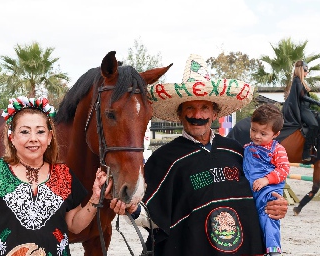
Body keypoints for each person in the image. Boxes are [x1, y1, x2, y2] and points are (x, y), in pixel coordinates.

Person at [111, 54, 289, 255]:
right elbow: (153, 219)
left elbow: (262, 194)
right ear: (179, 114)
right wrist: (132, 210)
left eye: (204, 107)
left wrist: (277, 205)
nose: (198, 115)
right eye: (190, 108)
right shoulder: (164, 160)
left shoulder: (237, 152)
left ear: (215, 113)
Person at [0, 96, 111, 256]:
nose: (33, 138)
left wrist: (95, 198)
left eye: (40, 132)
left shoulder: (63, 175)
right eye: (25, 131)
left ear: (50, 137)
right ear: (11, 137)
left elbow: (74, 225)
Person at [243, 104, 290, 255]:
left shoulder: (277, 149)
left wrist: (266, 179)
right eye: (253, 130)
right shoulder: (246, 147)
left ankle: (274, 250)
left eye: (263, 134)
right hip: (251, 191)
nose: (256, 136)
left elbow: (284, 169)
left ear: (275, 134)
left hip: (267, 191)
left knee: (268, 217)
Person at [282, 60, 320, 161]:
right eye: (306, 70)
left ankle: (315, 146)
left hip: (306, 108)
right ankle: (306, 152)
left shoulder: (300, 81)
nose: (308, 73)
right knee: (314, 125)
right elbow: (302, 97)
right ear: (302, 70)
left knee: (319, 120)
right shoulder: (297, 81)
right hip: (301, 109)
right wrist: (318, 103)